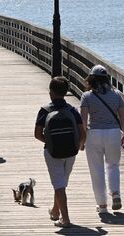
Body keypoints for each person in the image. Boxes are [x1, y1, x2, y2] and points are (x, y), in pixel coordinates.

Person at [35, 76, 86, 228]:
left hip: (52, 153)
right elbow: (83, 132)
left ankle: (65, 219)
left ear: (51, 92)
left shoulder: (45, 111)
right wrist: (78, 145)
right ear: (65, 92)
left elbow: (37, 134)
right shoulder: (72, 110)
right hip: (71, 152)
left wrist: (50, 143)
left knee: (59, 184)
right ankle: (55, 211)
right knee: (61, 183)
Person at [80, 65, 124, 214]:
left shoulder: (87, 96)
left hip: (94, 133)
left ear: (91, 80)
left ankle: (102, 206)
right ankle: (115, 193)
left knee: (97, 170)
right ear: (107, 79)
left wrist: (82, 140)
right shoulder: (117, 95)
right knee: (113, 165)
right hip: (113, 133)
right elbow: (123, 118)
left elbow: (83, 121)